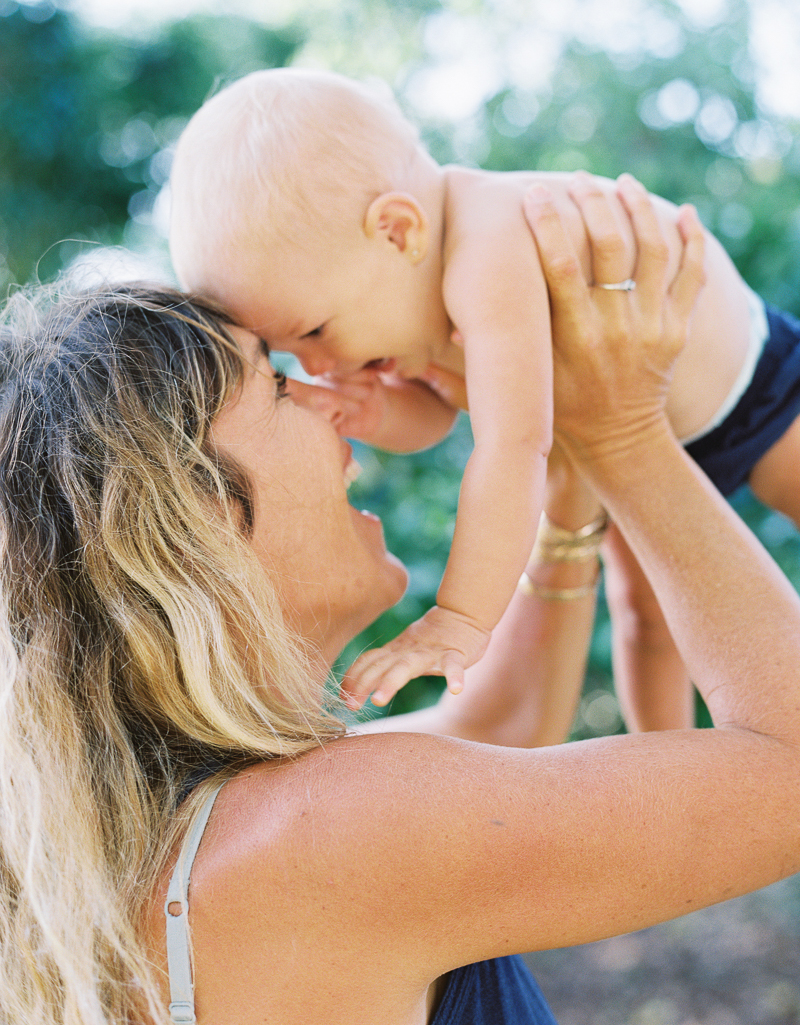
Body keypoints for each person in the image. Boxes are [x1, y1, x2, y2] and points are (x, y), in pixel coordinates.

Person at [3, 181, 800, 1025]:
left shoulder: (148, 857)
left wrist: (562, 486)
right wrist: (625, 433)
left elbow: (509, 715)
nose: (330, 394)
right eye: (276, 385)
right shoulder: (332, 837)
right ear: (193, 515)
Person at [168, 68, 800, 726]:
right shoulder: (401, 294)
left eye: (316, 331)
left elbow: (515, 443)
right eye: (293, 358)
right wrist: (379, 411)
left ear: (395, 231)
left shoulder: (488, 250)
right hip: (641, 442)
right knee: (651, 618)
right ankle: (675, 772)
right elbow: (439, 412)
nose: (325, 366)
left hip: (752, 387)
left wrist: (459, 619)